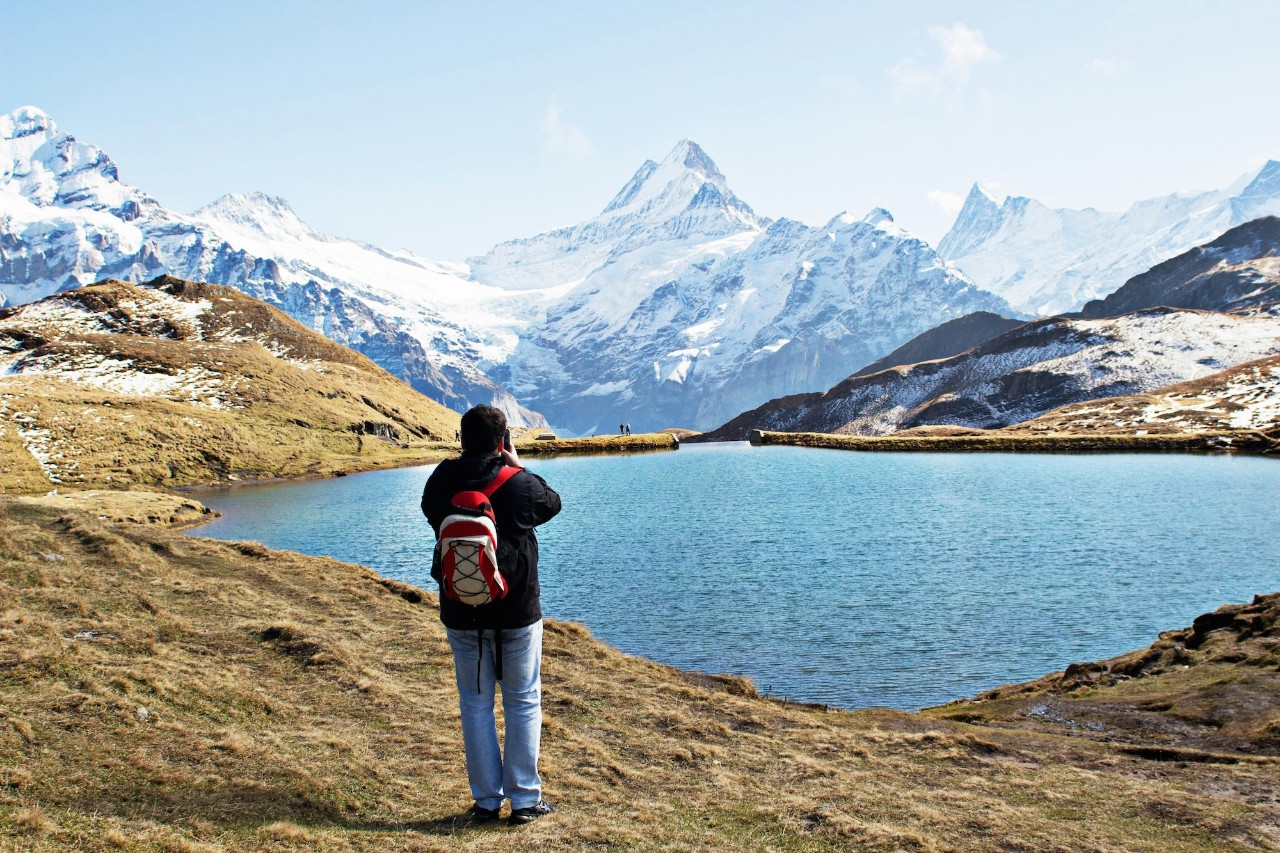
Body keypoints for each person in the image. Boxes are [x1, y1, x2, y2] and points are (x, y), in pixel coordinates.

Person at [421, 405, 562, 825]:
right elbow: (552, 504)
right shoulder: (519, 484)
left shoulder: (441, 480)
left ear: (461, 439)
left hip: (462, 609)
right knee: (522, 701)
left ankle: (486, 802)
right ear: (503, 441)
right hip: (517, 609)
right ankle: (524, 801)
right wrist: (518, 467)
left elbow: (432, 516)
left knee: (476, 704)